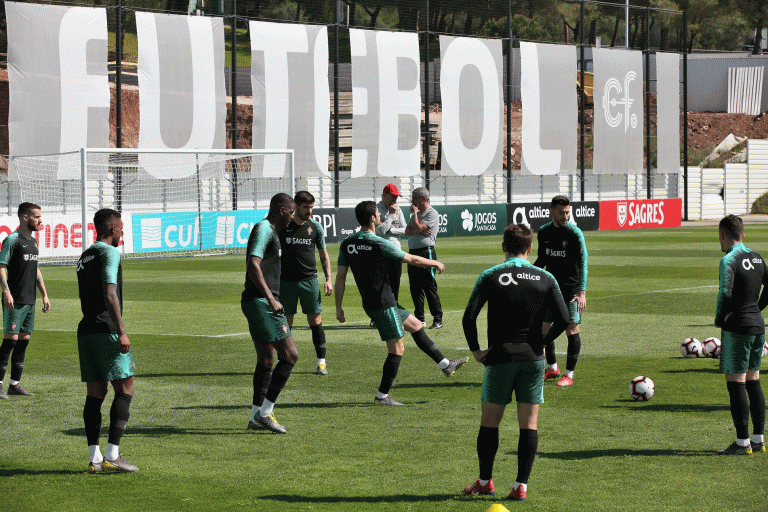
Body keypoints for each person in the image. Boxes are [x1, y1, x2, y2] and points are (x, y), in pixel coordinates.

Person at [462, 224, 569, 501]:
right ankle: (521, 486)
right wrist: (543, 342)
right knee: (529, 425)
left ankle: (485, 481)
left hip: (500, 358)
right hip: (533, 359)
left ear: (503, 246)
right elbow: (565, 319)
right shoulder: (545, 277)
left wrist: (476, 351)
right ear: (530, 248)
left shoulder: (490, 275)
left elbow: (468, 317)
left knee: (490, 423)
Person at [335, 200, 469, 405]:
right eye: (378, 214)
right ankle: (382, 396)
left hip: (375, 302)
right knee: (397, 350)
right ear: (372, 218)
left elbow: (341, 277)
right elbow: (412, 259)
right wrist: (435, 262)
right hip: (383, 303)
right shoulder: (378, 242)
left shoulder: (347, 243)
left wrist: (338, 307)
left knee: (415, 325)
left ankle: (445, 364)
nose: (380, 216)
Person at [76, 208, 137, 473]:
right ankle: (113, 453)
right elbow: (110, 293)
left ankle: (95, 458)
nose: (122, 232)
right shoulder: (109, 252)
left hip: (86, 328)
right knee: (125, 388)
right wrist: (121, 330)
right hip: (106, 328)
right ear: (112, 228)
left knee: (96, 393)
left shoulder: (85, 255)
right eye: (121, 227)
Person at [242, 193, 298, 434]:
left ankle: (256, 416)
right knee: (291, 355)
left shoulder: (272, 231)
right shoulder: (263, 229)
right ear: (282, 210)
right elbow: (253, 263)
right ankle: (266, 413)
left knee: (266, 359)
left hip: (258, 301)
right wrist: (270, 299)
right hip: (262, 302)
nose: (293, 218)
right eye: (292, 212)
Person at [714, 214, 767, 455]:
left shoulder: (729, 260)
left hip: (738, 328)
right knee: (754, 380)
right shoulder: (757, 257)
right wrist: (757, 307)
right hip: (758, 325)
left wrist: (720, 318)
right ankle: (758, 440)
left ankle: (742, 442)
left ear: (722, 235)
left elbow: (724, 293)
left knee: (736, 383)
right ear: (743, 235)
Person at [533, 195, 588, 387]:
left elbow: (583, 262)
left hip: (570, 289)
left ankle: (569, 375)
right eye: (561, 212)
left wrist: (582, 291)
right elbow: (541, 260)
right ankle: (553, 368)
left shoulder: (574, 234)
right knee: (544, 329)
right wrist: (527, 273)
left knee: (571, 330)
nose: (565, 216)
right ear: (551, 211)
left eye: (567, 212)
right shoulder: (544, 231)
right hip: (549, 288)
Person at [279, 191, 333, 375]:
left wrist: (328, 279)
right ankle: (283, 360)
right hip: (286, 282)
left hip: (309, 281)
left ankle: (321, 363)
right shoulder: (284, 226)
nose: (310, 211)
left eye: (311, 207)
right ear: (296, 207)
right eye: (306, 207)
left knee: (315, 321)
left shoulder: (315, 227)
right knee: (286, 322)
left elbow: (323, 254)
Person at [0, 202, 51, 399]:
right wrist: (6, 292)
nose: (40, 220)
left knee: (23, 341)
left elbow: (35, 269)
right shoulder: (12, 240)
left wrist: (44, 293)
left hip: (30, 299)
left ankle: (15, 385)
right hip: (15, 299)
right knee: (10, 341)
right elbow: (1, 266)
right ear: (25, 217)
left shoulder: (34, 242)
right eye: (37, 216)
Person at [405, 187, 443, 329]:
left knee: (429, 285)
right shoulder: (416, 214)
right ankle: (420, 318)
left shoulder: (432, 213)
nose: (412, 200)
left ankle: (437, 318)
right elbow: (408, 231)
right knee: (415, 287)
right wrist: (417, 227)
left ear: (422, 199)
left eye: (414, 197)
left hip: (426, 252)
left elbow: (420, 227)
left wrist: (415, 218)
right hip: (412, 253)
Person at [376, 183, 407, 303]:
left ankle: (394, 313)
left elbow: (405, 230)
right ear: (384, 196)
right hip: (381, 253)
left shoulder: (398, 209)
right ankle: (377, 317)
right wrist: (391, 216)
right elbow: (381, 230)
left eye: (396, 196)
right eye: (392, 196)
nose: (395, 199)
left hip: (395, 252)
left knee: (395, 285)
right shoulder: (376, 209)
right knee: (380, 285)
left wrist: (392, 230)